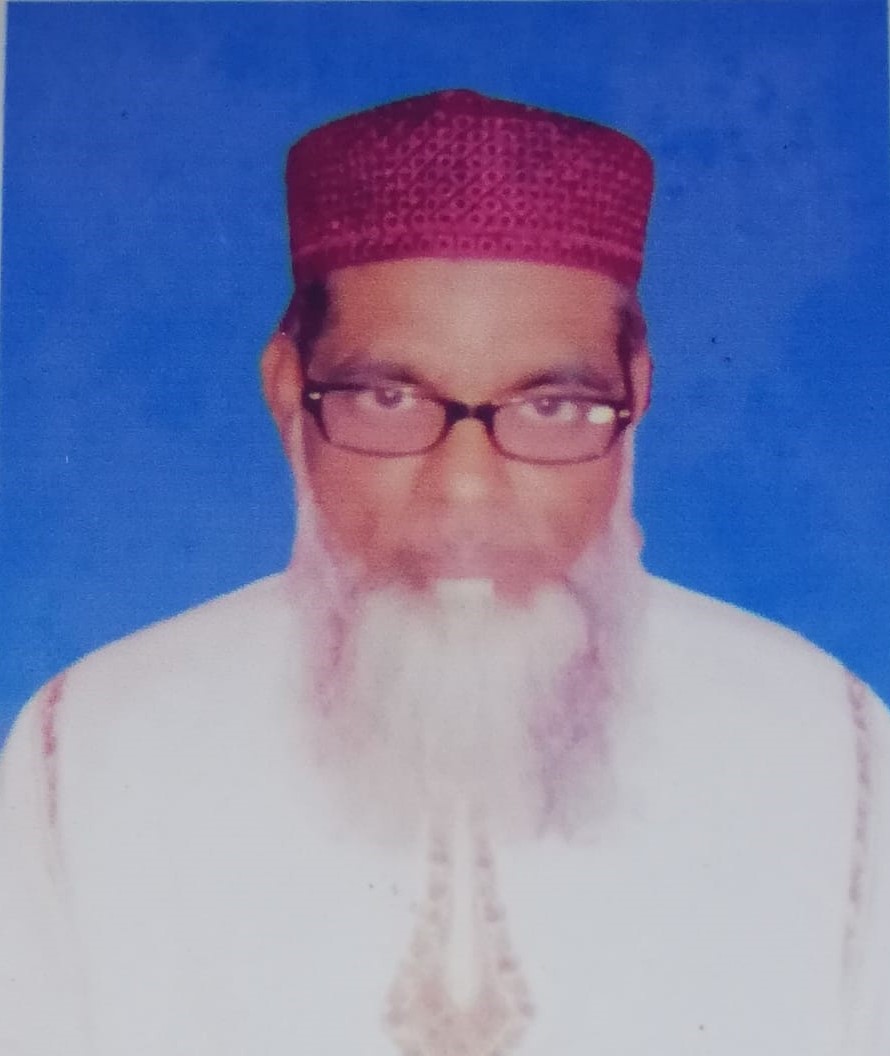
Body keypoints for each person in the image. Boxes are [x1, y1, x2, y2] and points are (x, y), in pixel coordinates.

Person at [1, 88, 887, 1056]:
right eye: (388, 398)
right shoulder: (89, 749)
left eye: (550, 406)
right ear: (289, 394)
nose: (465, 494)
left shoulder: (825, 746)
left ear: (635, 397)